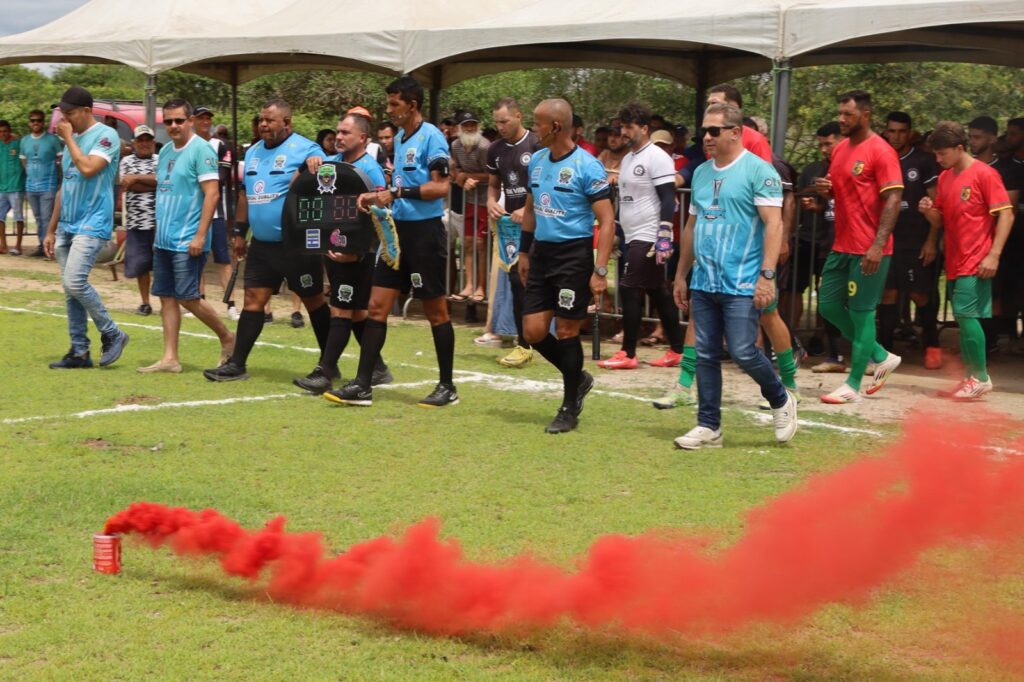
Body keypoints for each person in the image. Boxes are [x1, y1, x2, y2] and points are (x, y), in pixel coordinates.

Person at [672, 102, 797, 450]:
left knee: (743, 350)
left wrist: (767, 275)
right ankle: (708, 426)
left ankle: (781, 398)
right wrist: (681, 275)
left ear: (736, 132)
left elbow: (774, 224)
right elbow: (692, 226)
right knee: (706, 353)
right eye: (704, 132)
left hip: (742, 280)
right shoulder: (701, 173)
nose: (706, 138)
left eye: (714, 131)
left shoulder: (760, 171)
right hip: (705, 279)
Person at [326, 76, 457, 408]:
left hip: (425, 234)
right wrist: (377, 196)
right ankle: (363, 385)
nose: (389, 110)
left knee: (435, 311)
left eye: (394, 104)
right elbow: (398, 186)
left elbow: (441, 188)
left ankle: (447, 386)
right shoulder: (399, 137)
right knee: (376, 307)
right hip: (396, 234)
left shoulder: (432, 137)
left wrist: (396, 193)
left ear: (411, 105)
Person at [203, 98, 328, 382]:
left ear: (287, 123)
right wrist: (239, 232)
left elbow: (326, 177)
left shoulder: (308, 149)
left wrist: (316, 164)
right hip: (262, 244)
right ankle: (237, 364)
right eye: (261, 119)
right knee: (252, 299)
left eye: (270, 120)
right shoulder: (253, 152)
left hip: (297, 244)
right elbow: (245, 194)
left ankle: (328, 364)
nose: (263, 124)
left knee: (313, 301)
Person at [518, 98, 614, 433]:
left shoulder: (588, 166)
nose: (534, 130)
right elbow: (530, 208)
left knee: (567, 331)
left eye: (538, 124)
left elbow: (607, 222)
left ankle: (569, 407)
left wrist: (600, 270)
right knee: (532, 331)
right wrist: (524, 252)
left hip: (574, 256)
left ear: (556, 126)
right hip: (542, 254)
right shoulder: (537, 160)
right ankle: (579, 378)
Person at [293, 113, 393, 393]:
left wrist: (358, 253)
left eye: (345, 133)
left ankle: (324, 372)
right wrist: (308, 165)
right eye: (337, 132)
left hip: (358, 254)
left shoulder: (370, 170)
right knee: (357, 312)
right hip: (334, 249)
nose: (338, 137)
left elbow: (381, 215)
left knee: (341, 309)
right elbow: (304, 192)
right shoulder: (330, 164)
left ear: (362, 138)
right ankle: (378, 368)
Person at [814, 90, 903, 404]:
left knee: (862, 313)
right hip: (842, 245)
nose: (841, 119)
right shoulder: (840, 149)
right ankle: (880, 355)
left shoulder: (881, 151)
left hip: (869, 248)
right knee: (828, 306)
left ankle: (852, 385)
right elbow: (841, 189)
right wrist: (827, 190)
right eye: (840, 113)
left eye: (847, 114)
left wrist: (877, 245)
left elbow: (893, 198)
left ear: (865, 115)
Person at [138, 99, 235, 373]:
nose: (173, 126)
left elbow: (212, 194)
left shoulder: (202, 150)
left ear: (190, 121)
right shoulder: (166, 151)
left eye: (179, 120)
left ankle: (228, 337)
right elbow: (165, 191)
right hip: (164, 239)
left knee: (187, 297)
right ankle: (170, 358)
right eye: (168, 121)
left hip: (188, 239)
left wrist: (200, 235)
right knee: (166, 297)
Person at [919, 121, 1013, 399]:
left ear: (960, 148)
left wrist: (993, 255)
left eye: (942, 153)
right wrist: (927, 211)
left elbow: (1006, 214)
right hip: (954, 259)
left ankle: (980, 377)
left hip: (977, 259)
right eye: (936, 154)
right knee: (964, 317)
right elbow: (940, 220)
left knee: (967, 315)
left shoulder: (985, 174)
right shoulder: (945, 178)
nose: (938, 159)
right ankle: (973, 376)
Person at [42, 86, 129, 368]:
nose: (63, 119)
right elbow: (64, 187)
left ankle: (112, 333)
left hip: (92, 223)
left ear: (87, 111)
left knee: (75, 281)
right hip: (67, 225)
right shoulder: (72, 142)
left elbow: (89, 168)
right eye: (62, 113)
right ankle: (79, 351)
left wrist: (68, 138)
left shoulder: (106, 136)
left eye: (68, 113)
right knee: (71, 291)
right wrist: (51, 229)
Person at [596, 104, 683, 370]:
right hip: (631, 233)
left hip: (648, 234)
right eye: (621, 126)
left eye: (629, 127)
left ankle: (628, 353)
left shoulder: (657, 157)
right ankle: (678, 350)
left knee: (629, 287)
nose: (624, 132)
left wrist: (664, 234)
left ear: (644, 129)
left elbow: (668, 197)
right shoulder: (628, 159)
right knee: (658, 291)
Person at [879, 112, 941, 367]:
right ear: (885, 132)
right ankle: (884, 353)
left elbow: (936, 205)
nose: (896, 136)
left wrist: (931, 240)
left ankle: (933, 345)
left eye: (902, 131)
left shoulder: (923, 161)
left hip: (915, 240)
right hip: (886, 241)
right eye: (892, 131)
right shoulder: (879, 157)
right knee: (888, 294)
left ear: (910, 133)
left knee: (919, 294)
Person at [485, 97, 539, 369]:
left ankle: (544, 338)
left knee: (537, 283)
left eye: (504, 121)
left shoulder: (537, 144)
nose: (500, 127)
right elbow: (494, 185)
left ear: (519, 116)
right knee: (518, 281)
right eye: (497, 122)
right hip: (513, 229)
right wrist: (491, 202)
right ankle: (524, 343)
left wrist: (527, 209)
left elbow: (544, 184)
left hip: (541, 225)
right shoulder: (495, 149)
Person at [791, 122, 846, 373]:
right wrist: (818, 205)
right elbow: (832, 208)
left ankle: (870, 355)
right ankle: (834, 355)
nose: (824, 149)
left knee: (854, 304)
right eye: (821, 145)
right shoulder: (821, 169)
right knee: (827, 299)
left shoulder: (855, 166)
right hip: (825, 241)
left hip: (852, 246)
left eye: (828, 144)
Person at [193, 106, 238, 320]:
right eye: (201, 118)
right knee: (196, 257)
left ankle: (231, 304)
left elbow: (221, 177)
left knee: (223, 259)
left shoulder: (220, 145)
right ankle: (198, 300)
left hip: (217, 212)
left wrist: (197, 177)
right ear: (193, 120)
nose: (205, 121)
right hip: (193, 211)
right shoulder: (188, 145)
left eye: (208, 118)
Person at [449, 110, 491, 303]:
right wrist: (461, 177)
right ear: (460, 127)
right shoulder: (456, 145)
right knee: (467, 242)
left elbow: (491, 175)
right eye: (466, 125)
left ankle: (481, 287)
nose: (469, 128)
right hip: (468, 199)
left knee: (481, 244)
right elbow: (456, 169)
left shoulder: (484, 146)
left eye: (473, 124)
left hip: (484, 198)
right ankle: (469, 285)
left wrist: (469, 177)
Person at [119, 125, 158, 315]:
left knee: (162, 264)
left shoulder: (161, 159)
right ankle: (145, 302)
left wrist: (136, 178)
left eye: (147, 139)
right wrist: (151, 182)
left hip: (159, 222)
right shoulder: (126, 161)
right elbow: (128, 184)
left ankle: (168, 302)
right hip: (136, 221)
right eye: (140, 140)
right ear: (134, 143)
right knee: (141, 265)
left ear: (153, 142)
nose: (144, 143)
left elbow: (164, 181)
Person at [19, 110, 62, 258]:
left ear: (43, 122)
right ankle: (41, 245)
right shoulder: (24, 141)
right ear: (29, 122)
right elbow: (23, 160)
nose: (35, 123)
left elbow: (60, 159)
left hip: (48, 185)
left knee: (46, 217)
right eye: (33, 120)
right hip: (31, 186)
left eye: (38, 120)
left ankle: (48, 247)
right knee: (37, 217)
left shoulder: (52, 140)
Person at [0, 119, 26, 255]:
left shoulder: (18, 143)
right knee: (0, 217)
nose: (3, 134)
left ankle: (18, 246)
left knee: (18, 217)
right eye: (0, 132)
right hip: (1, 188)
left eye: (5, 131)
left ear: (9, 131)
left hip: (16, 187)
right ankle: (3, 245)